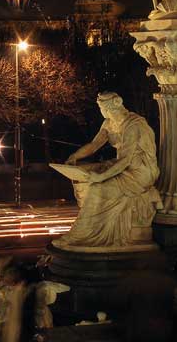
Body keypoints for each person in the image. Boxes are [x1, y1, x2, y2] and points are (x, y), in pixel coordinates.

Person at [52, 92, 163, 249]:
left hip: (139, 172)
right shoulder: (109, 123)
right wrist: (74, 157)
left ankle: (80, 235)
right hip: (122, 166)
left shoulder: (134, 125)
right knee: (84, 174)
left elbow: (126, 160)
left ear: (109, 106)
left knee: (98, 187)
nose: (100, 110)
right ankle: (89, 227)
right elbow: (94, 145)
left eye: (100, 106)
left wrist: (101, 177)